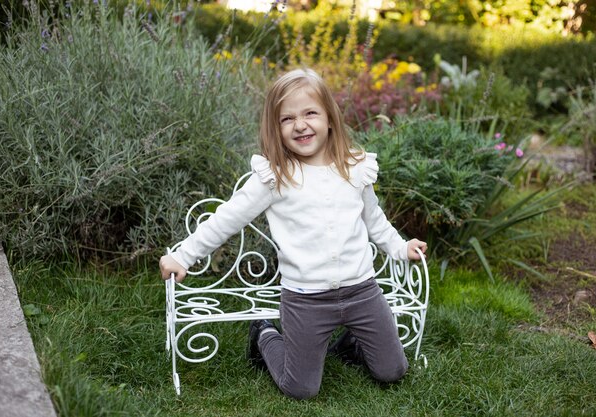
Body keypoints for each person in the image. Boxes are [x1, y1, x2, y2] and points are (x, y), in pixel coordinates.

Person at [159, 68, 427, 400]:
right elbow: (227, 218)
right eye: (287, 119)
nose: (300, 124)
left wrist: (402, 248)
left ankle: (353, 342)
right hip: (306, 299)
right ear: (276, 128)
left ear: (329, 118)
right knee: (301, 388)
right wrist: (182, 256)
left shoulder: (355, 167)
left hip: (362, 292)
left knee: (392, 371)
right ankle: (265, 335)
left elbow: (375, 221)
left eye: (310, 113)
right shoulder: (276, 176)